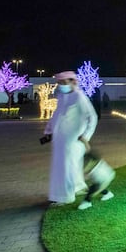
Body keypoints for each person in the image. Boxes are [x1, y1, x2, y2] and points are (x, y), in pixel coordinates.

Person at [40, 71, 98, 205]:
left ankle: (64, 197)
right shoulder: (62, 96)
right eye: (59, 83)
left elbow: (92, 117)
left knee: (67, 167)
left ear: (72, 81)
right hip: (60, 140)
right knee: (66, 167)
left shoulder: (79, 96)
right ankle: (76, 188)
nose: (61, 85)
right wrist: (48, 130)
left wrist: (86, 136)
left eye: (63, 82)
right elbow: (57, 114)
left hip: (74, 140)